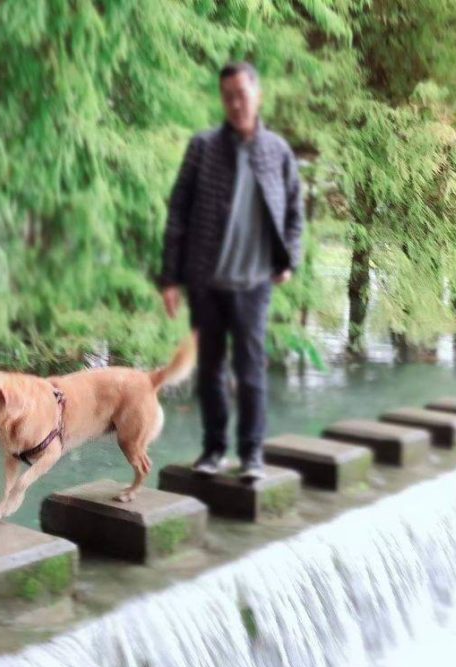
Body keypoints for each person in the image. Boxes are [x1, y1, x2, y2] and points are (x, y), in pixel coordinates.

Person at [157, 61, 305, 481]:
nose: (236, 103)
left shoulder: (277, 151)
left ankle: (253, 454)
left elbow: (295, 212)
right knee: (210, 372)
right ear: (223, 100)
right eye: (228, 96)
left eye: (242, 94)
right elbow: (178, 213)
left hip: (254, 284)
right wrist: (170, 278)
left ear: (257, 94)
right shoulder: (203, 148)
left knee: (251, 370)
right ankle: (214, 449)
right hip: (206, 282)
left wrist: (289, 258)